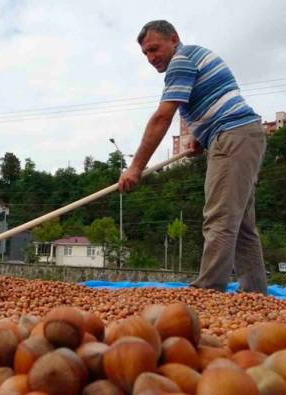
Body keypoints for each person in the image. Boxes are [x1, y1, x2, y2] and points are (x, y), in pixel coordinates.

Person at [117, 20, 267, 294]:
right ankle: (255, 295)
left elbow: (162, 117)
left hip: (232, 137)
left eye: (154, 49)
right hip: (243, 135)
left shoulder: (180, 62)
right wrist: (202, 135)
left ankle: (207, 291)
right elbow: (216, 97)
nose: (151, 58)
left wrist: (136, 167)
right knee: (242, 225)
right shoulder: (195, 54)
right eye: (146, 54)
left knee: (220, 218)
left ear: (173, 39)